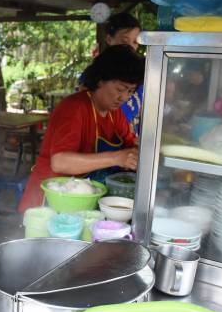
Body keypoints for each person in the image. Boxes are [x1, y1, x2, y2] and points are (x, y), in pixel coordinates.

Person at [18, 45, 145, 213]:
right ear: (100, 80)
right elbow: (60, 162)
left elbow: (129, 147)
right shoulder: (74, 108)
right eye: (120, 89)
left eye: (130, 91)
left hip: (82, 200)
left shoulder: (116, 114)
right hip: (51, 203)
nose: (124, 97)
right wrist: (117, 157)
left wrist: (140, 149)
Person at [80, 13, 143, 135]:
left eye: (135, 42)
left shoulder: (138, 73)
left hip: (128, 140)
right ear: (109, 39)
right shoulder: (96, 72)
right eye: (125, 41)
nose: (130, 47)